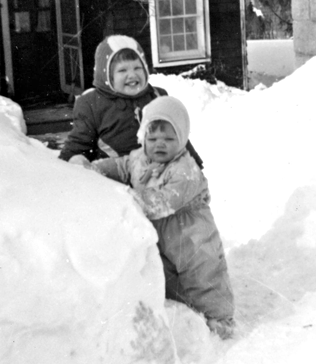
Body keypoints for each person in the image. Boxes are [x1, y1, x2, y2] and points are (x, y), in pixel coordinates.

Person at [91, 96, 235, 339]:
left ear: (182, 140)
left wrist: (131, 198)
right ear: (142, 137)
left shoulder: (185, 170)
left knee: (204, 275)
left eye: (169, 139)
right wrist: (95, 168)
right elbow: (120, 166)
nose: (160, 144)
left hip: (191, 234)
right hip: (162, 233)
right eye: (153, 138)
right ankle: (185, 308)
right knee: (167, 275)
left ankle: (221, 319)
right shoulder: (139, 159)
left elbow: (164, 202)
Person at [59, 35, 203, 169]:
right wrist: (73, 161)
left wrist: (194, 165)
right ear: (107, 76)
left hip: (161, 180)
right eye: (122, 70)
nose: (132, 75)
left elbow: (178, 139)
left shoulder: (157, 96)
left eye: (137, 68)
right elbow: (77, 145)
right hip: (118, 185)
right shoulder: (92, 104)